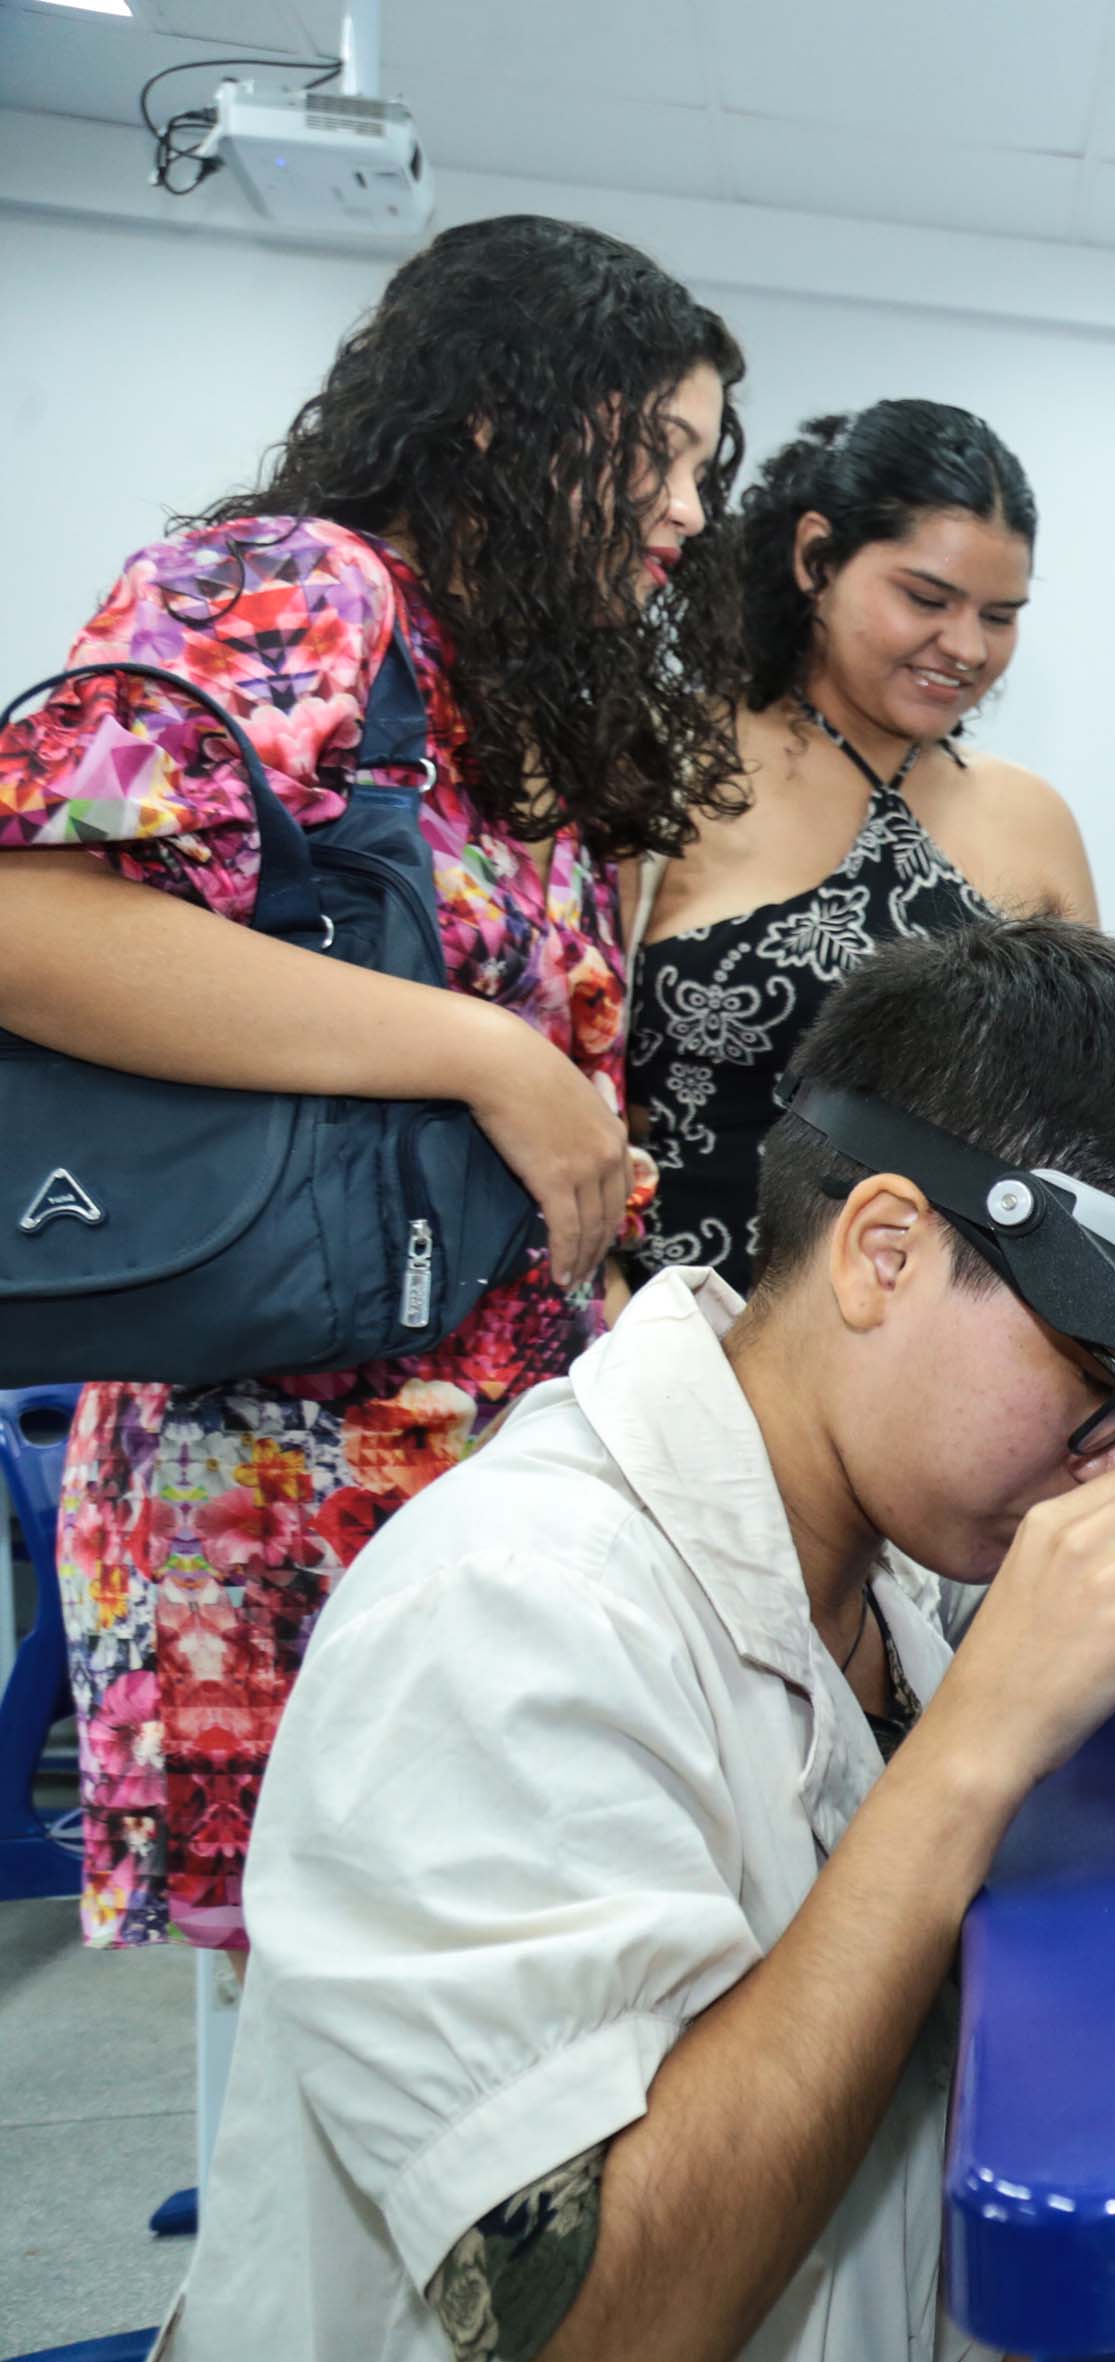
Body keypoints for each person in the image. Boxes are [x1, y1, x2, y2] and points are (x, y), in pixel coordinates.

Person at [164, 918, 1115, 2361]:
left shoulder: (882, 1561)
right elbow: (598, 2328)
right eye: (1113, 1378)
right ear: (883, 1253)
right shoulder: (505, 1611)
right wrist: (969, 1754)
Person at [0, 215, 746, 1956]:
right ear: (500, 415)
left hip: (469, 1477)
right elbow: (31, 917)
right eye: (659, 452)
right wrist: (490, 1053)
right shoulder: (298, 586)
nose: (687, 511)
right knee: (357, 2037)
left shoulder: (504, 706)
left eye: (705, 471)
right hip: (281, 1478)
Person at [627, 399, 1089, 1291]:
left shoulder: (1033, 821)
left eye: (1000, 616)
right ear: (816, 559)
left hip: (943, 1340)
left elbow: (1080, 1135)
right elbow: (576, 1081)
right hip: (677, 1326)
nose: (965, 646)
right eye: (926, 599)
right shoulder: (662, 768)